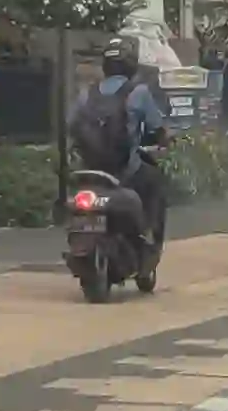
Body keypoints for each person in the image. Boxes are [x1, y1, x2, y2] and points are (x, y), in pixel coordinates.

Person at [67, 38, 172, 264]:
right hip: (125, 171)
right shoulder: (138, 92)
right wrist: (164, 141)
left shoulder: (87, 93)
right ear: (131, 65)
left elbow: (71, 124)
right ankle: (149, 238)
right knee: (155, 181)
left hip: (89, 171)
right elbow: (158, 129)